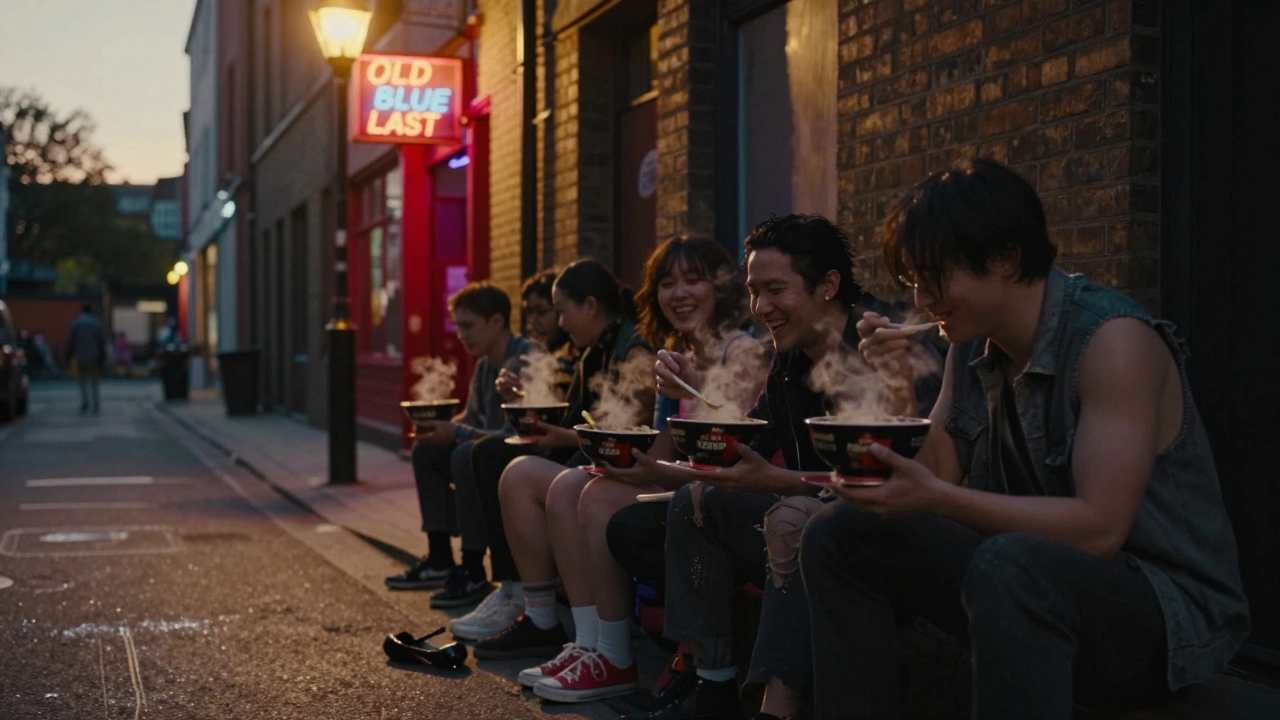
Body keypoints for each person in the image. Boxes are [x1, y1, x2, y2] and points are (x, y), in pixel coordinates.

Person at [803, 159, 1250, 719]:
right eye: (914, 280)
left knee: (1009, 565)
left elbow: (1100, 529)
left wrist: (939, 500)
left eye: (934, 276)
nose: (921, 298)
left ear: (1006, 259)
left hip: (1161, 611)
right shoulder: (971, 339)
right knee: (840, 533)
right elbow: (938, 470)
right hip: (1030, 578)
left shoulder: (1113, 342)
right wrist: (897, 385)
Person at [618, 215, 943, 720]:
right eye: (753, 291)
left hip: (876, 534)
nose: (760, 308)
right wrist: (689, 400)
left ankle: (778, 708)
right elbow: (745, 446)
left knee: (792, 517)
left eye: (774, 290)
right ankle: (712, 685)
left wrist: (779, 482)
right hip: (809, 513)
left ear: (828, 284)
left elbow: (898, 481)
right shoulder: (788, 358)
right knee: (694, 503)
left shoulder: (885, 341)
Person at [507, 237, 766, 703]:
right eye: (667, 283)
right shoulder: (674, 351)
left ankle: (614, 655)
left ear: (722, 288)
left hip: (722, 492)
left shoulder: (739, 351)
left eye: (693, 280)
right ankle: (590, 645)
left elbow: (723, 450)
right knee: (570, 484)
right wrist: (631, 454)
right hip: (681, 482)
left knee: (598, 495)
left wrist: (680, 401)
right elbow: (665, 453)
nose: (679, 293)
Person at [446, 260, 644, 643]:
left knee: (498, 459)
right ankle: (517, 593)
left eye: (561, 310)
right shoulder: (593, 350)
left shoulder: (631, 349)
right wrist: (520, 399)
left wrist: (562, 437)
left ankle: (530, 603)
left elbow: (626, 435)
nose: (559, 322)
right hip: (584, 462)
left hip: (610, 473)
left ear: (588, 305)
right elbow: (579, 418)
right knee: (491, 454)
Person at [385, 282, 533, 608]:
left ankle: (473, 567)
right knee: (428, 449)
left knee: (466, 453)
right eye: (458, 326)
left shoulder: (524, 362)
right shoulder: (483, 366)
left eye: (468, 325)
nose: (462, 335)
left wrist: (454, 432)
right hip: (486, 448)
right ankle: (439, 558)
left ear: (496, 322)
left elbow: (511, 434)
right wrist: (439, 425)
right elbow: (475, 418)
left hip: (518, 455)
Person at [67, 304, 107, 414]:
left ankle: (85, 402)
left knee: (82, 381)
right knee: (94, 381)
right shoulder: (97, 323)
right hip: (94, 356)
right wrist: (103, 356)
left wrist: (69, 355)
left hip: (79, 355)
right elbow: (101, 342)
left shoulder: (75, 323)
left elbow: (71, 342)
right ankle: (96, 403)